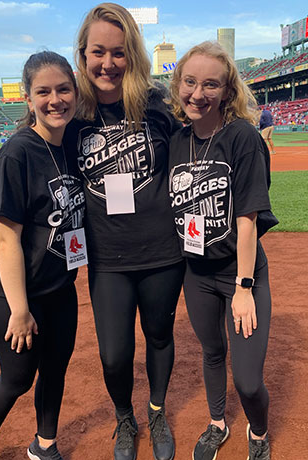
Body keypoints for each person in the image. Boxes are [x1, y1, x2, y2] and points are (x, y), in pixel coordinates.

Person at [65, 3, 185, 460]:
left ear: (132, 54)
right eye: (98, 52)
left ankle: (155, 410)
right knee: (114, 354)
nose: (108, 63)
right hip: (107, 258)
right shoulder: (73, 112)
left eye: (119, 53)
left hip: (161, 252)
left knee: (159, 336)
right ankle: (124, 417)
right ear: (83, 53)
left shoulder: (157, 106)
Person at [0, 51, 85, 460]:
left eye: (63, 89)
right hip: (17, 293)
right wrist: (20, 310)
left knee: (55, 368)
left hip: (59, 287)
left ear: (75, 92)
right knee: (17, 378)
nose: (56, 100)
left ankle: (44, 444)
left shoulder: (70, 143)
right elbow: (7, 240)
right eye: (44, 92)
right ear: (28, 99)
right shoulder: (17, 153)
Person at [168, 41, 274, 460]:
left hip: (240, 272)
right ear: (178, 85)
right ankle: (217, 423)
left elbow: (247, 218)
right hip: (196, 274)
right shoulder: (178, 142)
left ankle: (259, 433)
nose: (198, 93)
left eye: (211, 84)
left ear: (227, 91)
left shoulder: (243, 137)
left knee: (247, 381)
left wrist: (244, 286)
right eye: (190, 82)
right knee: (212, 352)